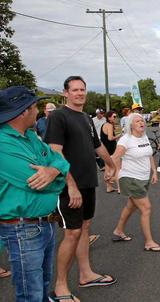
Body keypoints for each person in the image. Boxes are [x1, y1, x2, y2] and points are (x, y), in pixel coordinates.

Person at [0, 86, 81, 302]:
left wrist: (53, 170)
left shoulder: (30, 136)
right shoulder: (3, 143)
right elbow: (37, 184)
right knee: (30, 293)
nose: (37, 111)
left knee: (42, 284)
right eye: (34, 106)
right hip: (22, 228)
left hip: (42, 224)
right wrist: (58, 176)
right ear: (23, 111)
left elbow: (59, 161)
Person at [44, 76, 118, 300]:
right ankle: (59, 287)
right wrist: (71, 185)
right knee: (72, 232)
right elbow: (55, 152)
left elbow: (97, 145)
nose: (79, 93)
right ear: (65, 93)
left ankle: (85, 274)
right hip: (70, 185)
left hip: (88, 182)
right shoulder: (58, 116)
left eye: (82, 89)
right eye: (74, 90)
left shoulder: (85, 117)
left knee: (85, 227)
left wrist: (111, 164)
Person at [111, 113, 160, 252]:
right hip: (130, 178)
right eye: (137, 121)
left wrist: (154, 171)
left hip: (143, 178)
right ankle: (149, 242)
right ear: (130, 125)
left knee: (131, 206)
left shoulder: (144, 137)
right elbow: (115, 157)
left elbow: (149, 155)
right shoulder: (125, 140)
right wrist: (114, 173)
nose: (141, 123)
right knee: (146, 208)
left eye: (142, 120)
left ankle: (118, 231)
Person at [101, 110, 121, 193]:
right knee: (117, 168)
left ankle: (109, 187)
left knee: (107, 169)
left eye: (116, 116)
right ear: (109, 117)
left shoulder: (104, 125)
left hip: (106, 150)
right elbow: (110, 138)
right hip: (111, 150)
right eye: (114, 116)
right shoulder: (109, 125)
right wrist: (118, 136)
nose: (115, 118)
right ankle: (120, 188)